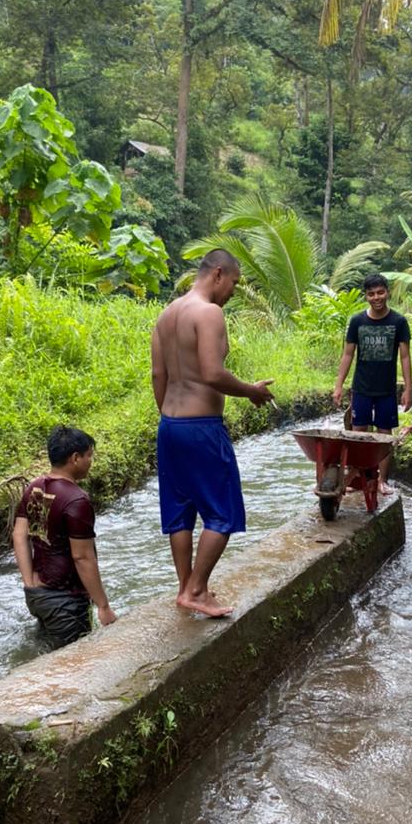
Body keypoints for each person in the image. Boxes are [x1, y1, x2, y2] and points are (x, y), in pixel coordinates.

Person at [150, 248, 275, 618]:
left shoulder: (167, 314)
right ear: (218, 274)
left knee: (181, 510)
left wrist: (171, 414)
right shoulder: (209, 313)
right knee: (222, 512)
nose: (233, 291)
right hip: (201, 428)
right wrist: (252, 391)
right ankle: (198, 590)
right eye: (234, 283)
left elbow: (159, 376)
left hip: (170, 426)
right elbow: (212, 373)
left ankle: (186, 587)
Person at [12, 425, 117, 646]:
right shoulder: (77, 500)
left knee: (46, 655)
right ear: (75, 458)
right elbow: (82, 557)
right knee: (74, 666)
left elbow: (19, 535)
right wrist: (103, 606)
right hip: (65, 600)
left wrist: (29, 581)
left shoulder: (35, 487)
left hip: (38, 594)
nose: (91, 461)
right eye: (89, 456)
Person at [332, 272, 412, 494]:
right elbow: (348, 355)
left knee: (384, 435)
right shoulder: (357, 321)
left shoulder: (399, 322)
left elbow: (405, 357)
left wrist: (408, 388)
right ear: (366, 296)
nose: (376, 297)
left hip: (386, 389)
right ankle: (359, 479)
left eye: (380, 292)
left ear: (387, 292)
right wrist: (339, 385)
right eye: (371, 294)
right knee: (359, 433)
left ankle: (381, 481)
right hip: (362, 388)